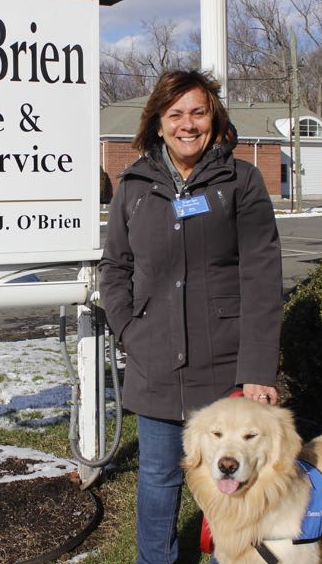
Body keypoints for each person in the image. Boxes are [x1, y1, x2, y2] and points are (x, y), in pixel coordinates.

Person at [99, 70, 283, 564]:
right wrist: (130, 330)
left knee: (231, 475)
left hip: (222, 363)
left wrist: (257, 369)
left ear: (213, 118)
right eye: (175, 114)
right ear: (158, 123)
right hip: (153, 358)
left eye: (198, 112)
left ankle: (235, 556)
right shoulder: (133, 186)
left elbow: (262, 278)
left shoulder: (239, 181)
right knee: (159, 474)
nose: (187, 124)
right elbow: (114, 267)